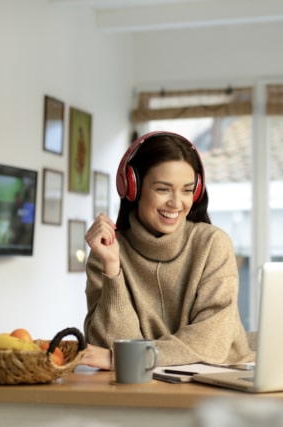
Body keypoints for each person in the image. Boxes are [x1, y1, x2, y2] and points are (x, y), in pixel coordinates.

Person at [80, 131, 254, 370]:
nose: (176, 202)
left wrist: (128, 358)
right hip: (146, 384)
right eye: (163, 189)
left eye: (186, 190)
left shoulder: (213, 244)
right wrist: (113, 269)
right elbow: (108, 345)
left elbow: (209, 343)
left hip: (222, 377)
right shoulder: (107, 250)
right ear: (133, 188)